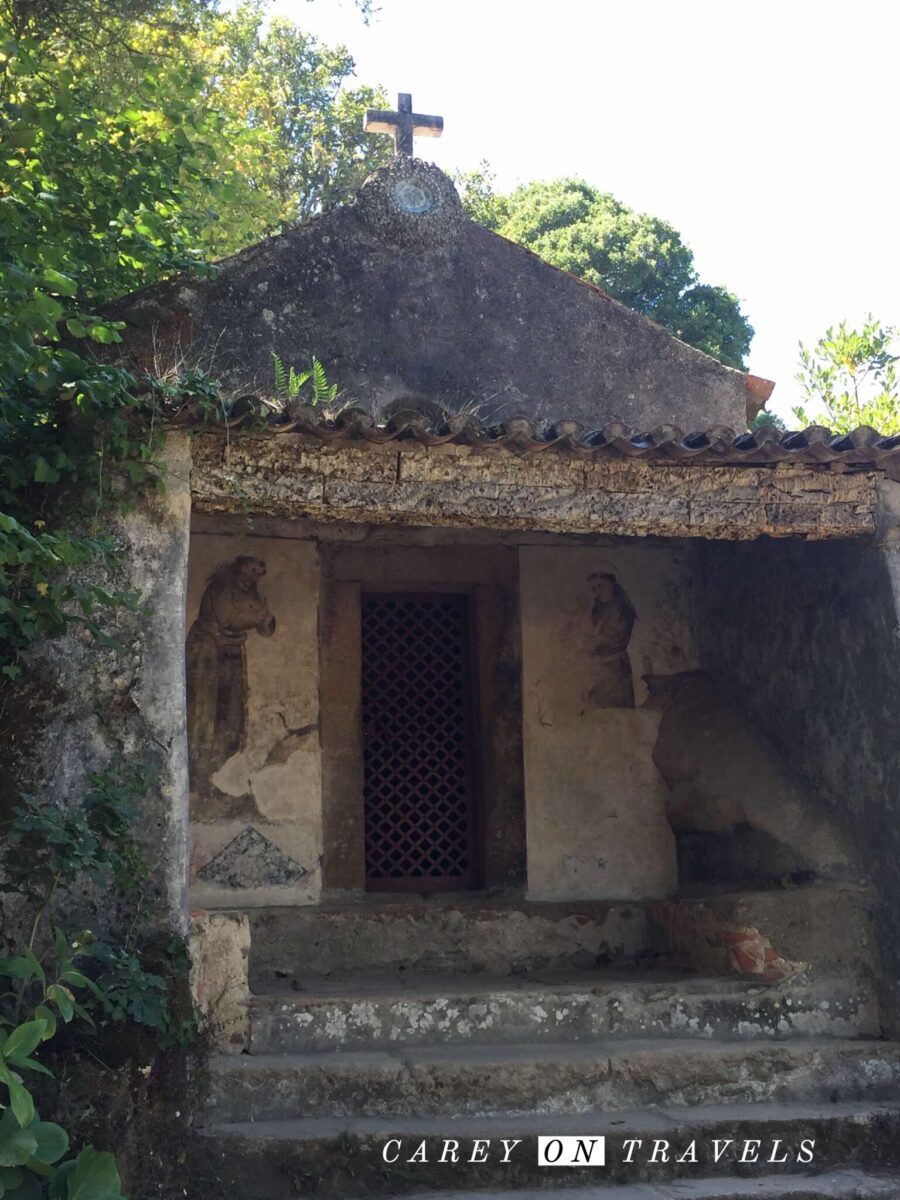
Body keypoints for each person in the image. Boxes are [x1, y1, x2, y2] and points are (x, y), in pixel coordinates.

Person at [186, 556, 276, 788]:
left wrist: (265, 619)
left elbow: (265, 628)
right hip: (207, 653)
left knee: (231, 714)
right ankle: (198, 774)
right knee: (204, 713)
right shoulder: (221, 589)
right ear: (240, 570)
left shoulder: (251, 594)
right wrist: (257, 617)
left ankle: (220, 773)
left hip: (231, 654)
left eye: (258, 573)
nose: (254, 577)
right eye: (252, 571)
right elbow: (227, 619)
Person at [586, 570, 636, 708]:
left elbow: (618, 639)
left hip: (616, 667)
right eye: (594, 588)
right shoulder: (597, 608)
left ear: (612, 585)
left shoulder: (622, 609)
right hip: (598, 667)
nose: (597, 592)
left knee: (616, 710)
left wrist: (595, 640)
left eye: (600, 586)